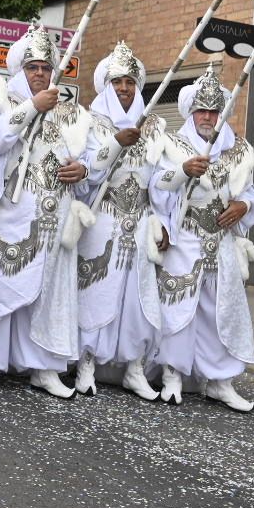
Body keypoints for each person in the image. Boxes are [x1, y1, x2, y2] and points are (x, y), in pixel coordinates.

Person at [0, 27, 113, 398]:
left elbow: (97, 157)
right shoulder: (7, 100)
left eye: (46, 67)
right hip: (14, 210)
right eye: (33, 67)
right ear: (21, 69)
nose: (40, 74)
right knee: (2, 280)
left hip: (56, 215)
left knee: (50, 292)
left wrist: (85, 170)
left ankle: (44, 368)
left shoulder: (74, 114)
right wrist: (33, 106)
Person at [148, 63, 254, 411]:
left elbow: (251, 193)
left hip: (221, 243)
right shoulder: (173, 144)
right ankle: (172, 375)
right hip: (185, 238)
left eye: (213, 110)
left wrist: (243, 205)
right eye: (201, 110)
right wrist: (182, 171)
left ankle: (220, 381)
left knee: (220, 313)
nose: (207, 116)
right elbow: (155, 186)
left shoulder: (238, 149)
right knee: (179, 309)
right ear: (191, 111)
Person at [74, 42, 163, 398]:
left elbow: (160, 180)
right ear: (106, 85)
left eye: (130, 81)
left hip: (139, 221)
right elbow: (85, 172)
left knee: (135, 298)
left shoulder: (154, 127)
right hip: (103, 219)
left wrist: (161, 221)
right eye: (117, 82)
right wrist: (114, 142)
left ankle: (134, 367)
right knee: (95, 292)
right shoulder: (90, 122)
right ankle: (85, 362)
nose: (124, 88)